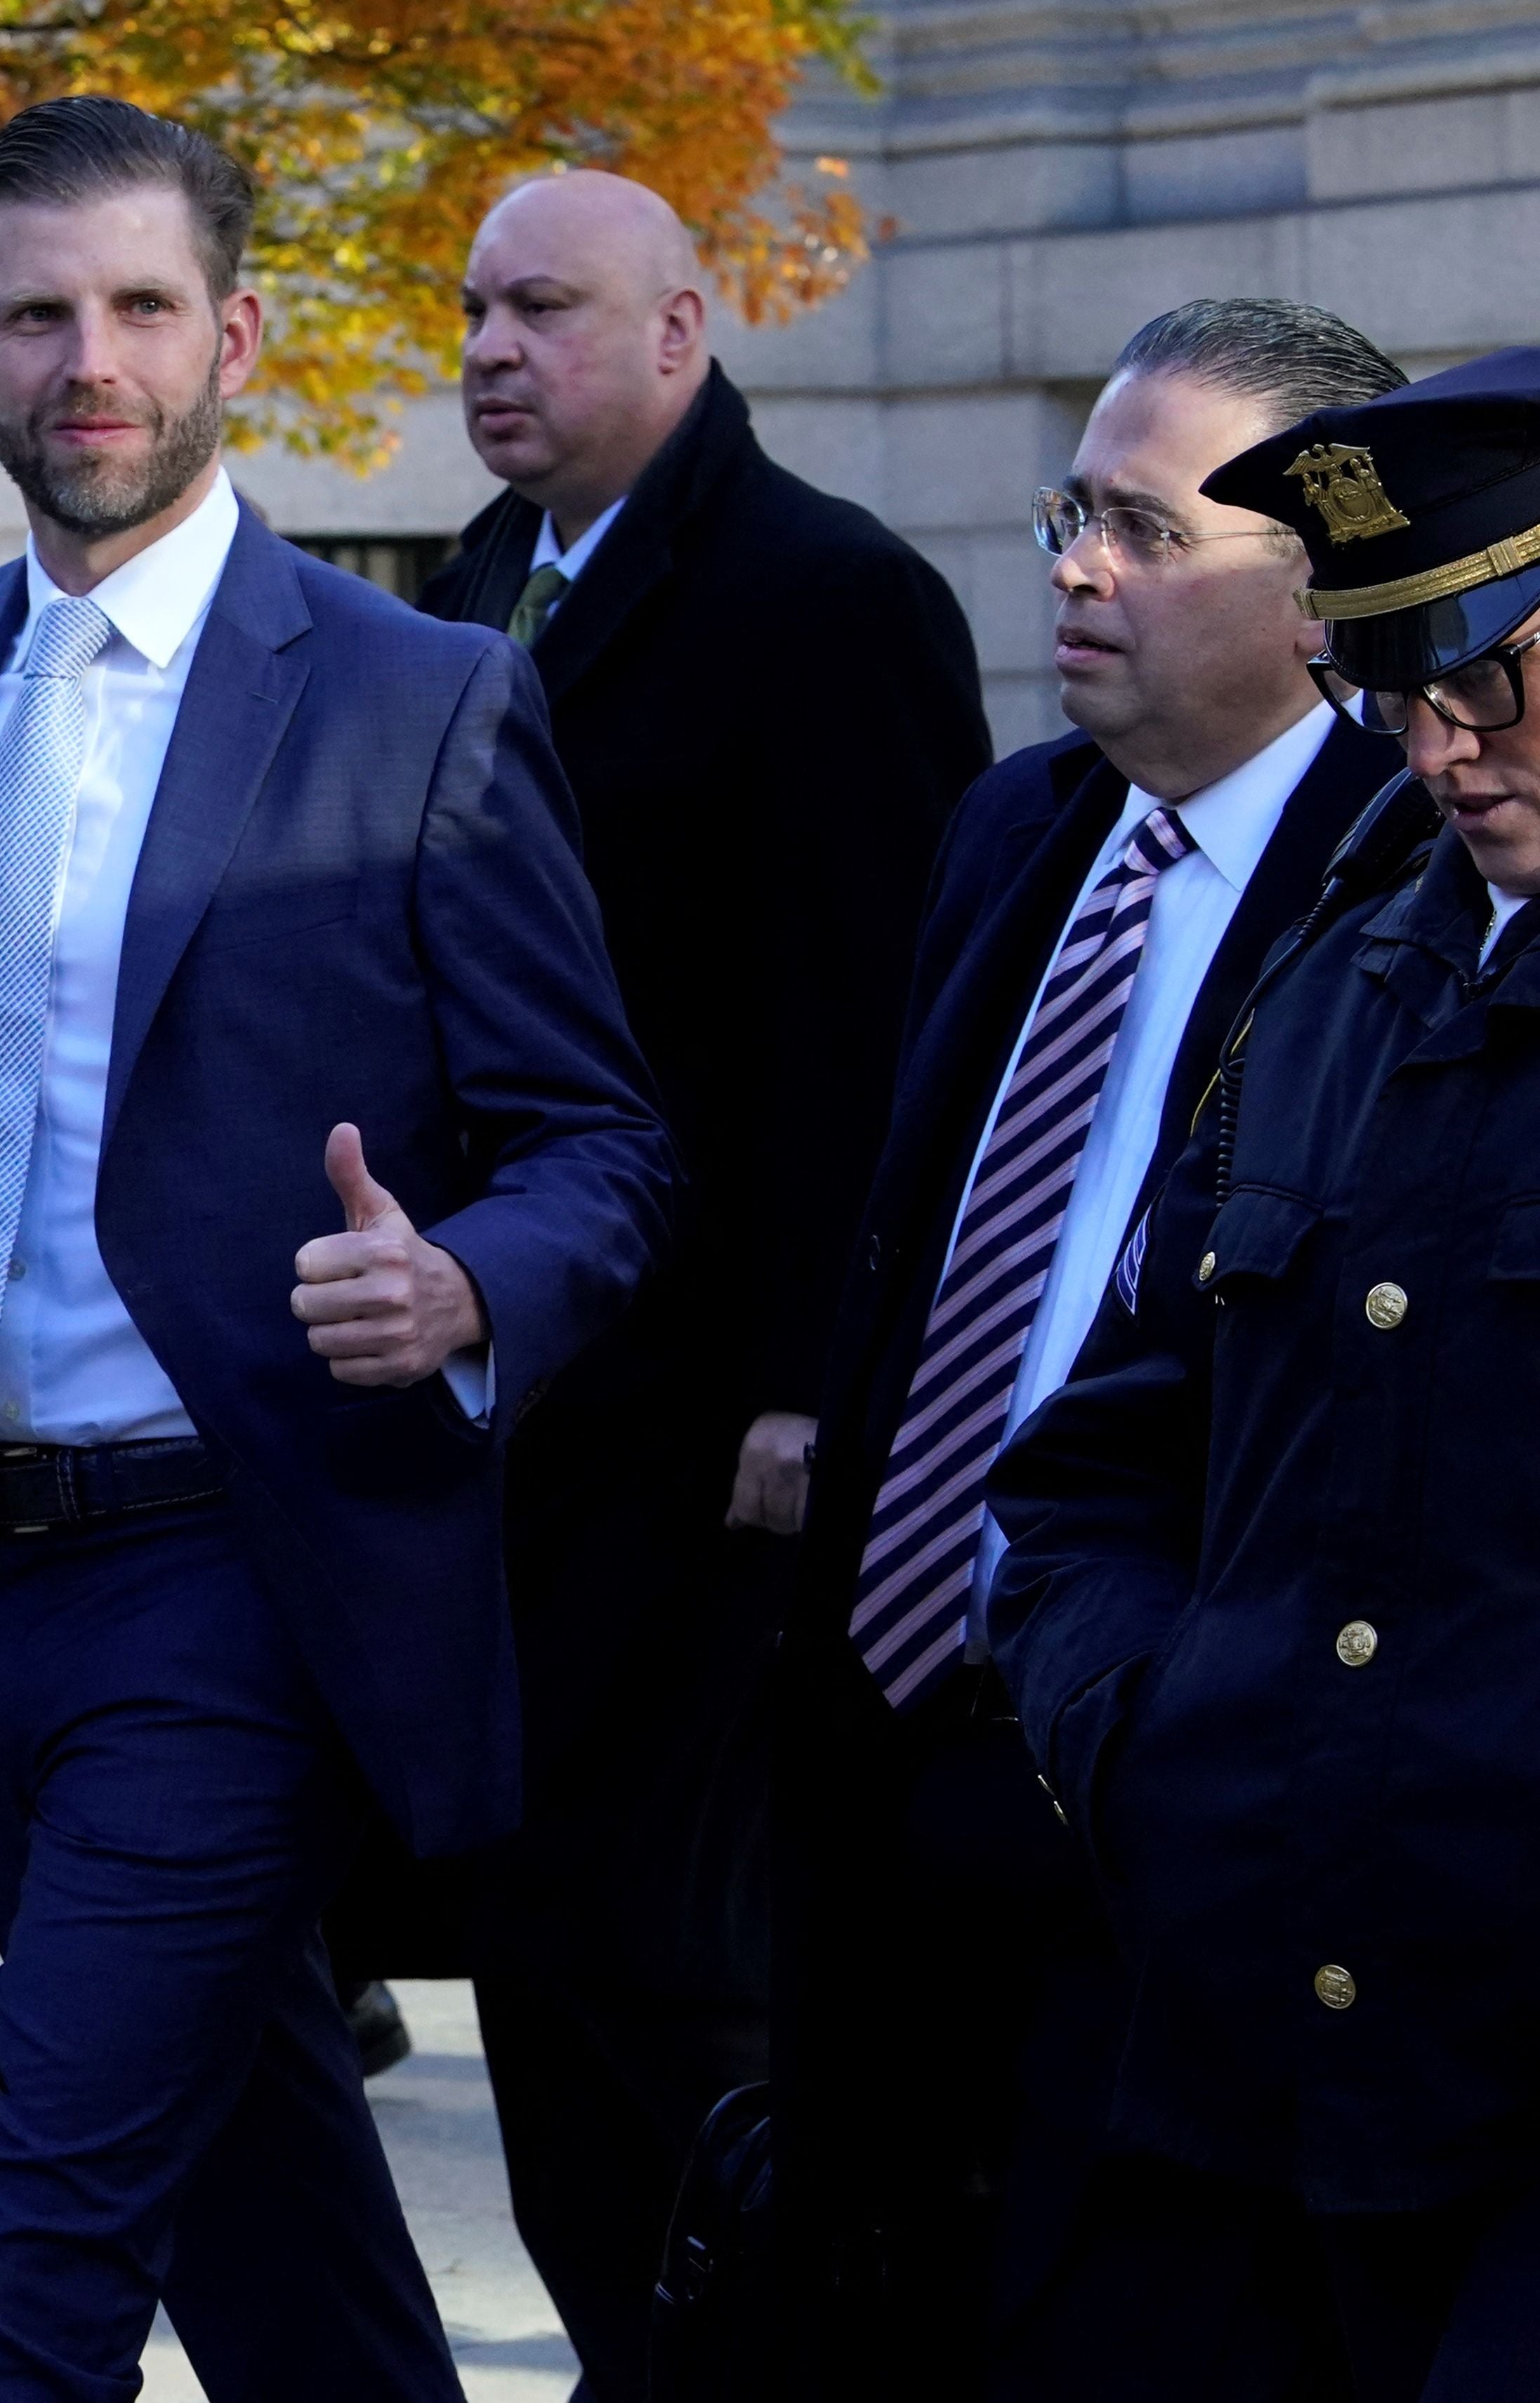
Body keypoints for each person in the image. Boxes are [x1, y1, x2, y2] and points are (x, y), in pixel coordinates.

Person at [0, 98, 678, 2400]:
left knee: (30, 2238)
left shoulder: (416, 697)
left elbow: (600, 1141)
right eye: (36, 314)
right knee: (258, 2208)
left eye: (139, 309)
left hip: (241, 1571)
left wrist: (470, 1279)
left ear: (239, 337)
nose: (89, 360)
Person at [389, 167, 991, 2398]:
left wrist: (813, 1386)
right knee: (548, 2007)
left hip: (721, 1464)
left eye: (543, 306)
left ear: (682, 331)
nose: (488, 348)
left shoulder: (826, 600)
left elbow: (875, 1031)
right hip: (518, 1444)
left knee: (688, 2019)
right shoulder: (473, 591)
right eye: (472, 307)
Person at [772, 300, 1407, 2399]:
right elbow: (921, 1257)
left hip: (1159, 1795)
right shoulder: (1017, 827)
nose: (1072, 566)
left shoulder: (1407, 880)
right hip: (895, 1744)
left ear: (1315, 588)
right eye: (1074, 513)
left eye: (1142, 528)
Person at [982, 350, 1540, 2400]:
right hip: (1262, 2068)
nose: (1443, 747)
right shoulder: (1343, 977)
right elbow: (1096, 1468)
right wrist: (1147, 1740)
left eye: (1491, 678)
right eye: (1398, 689)